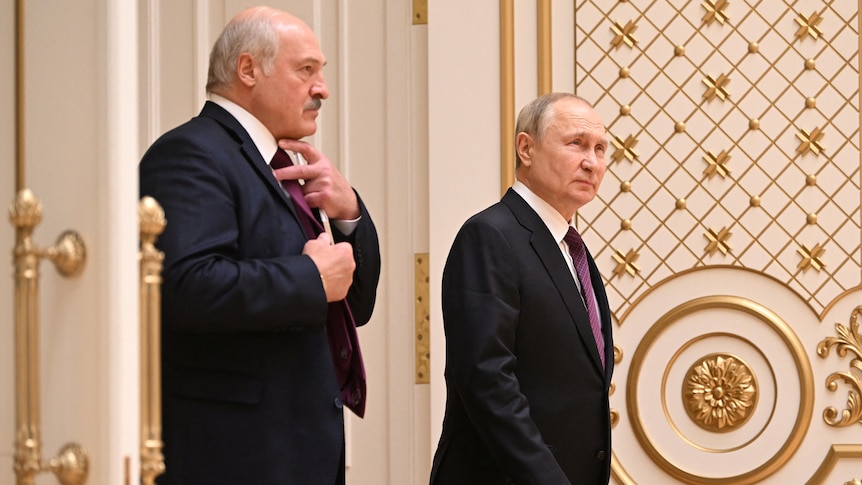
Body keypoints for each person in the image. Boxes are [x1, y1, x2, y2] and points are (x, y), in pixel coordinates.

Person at [139, 6, 381, 485]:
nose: (322, 90)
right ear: (248, 69)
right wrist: (309, 277)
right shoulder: (191, 152)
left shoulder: (282, 162)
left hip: (295, 452)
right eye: (306, 70)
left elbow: (355, 302)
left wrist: (349, 210)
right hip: (235, 457)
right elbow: (184, 287)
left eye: (322, 73)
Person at [430, 93, 614, 484]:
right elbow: (486, 379)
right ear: (526, 148)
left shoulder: (570, 247)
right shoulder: (490, 236)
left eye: (600, 149)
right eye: (576, 143)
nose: (592, 162)